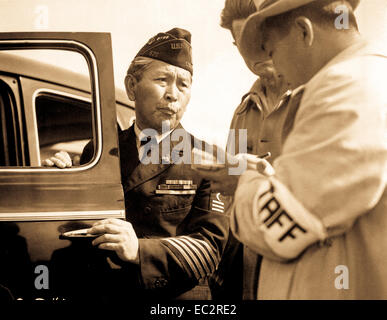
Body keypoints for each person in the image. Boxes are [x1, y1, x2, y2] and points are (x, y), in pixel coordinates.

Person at [45, 28, 229, 301]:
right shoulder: (97, 151)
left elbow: (209, 249)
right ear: (132, 86)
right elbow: (79, 229)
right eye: (162, 80)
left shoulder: (209, 159)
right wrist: (58, 184)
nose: (172, 95)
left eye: (183, 84)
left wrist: (139, 251)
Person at [230, 0, 387, 299]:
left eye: (272, 50)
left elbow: (276, 225)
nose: (274, 64)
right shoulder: (360, 78)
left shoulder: (347, 87)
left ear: (304, 32)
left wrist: (245, 183)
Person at [208, 0, 292, 300]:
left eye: (261, 40)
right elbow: (229, 196)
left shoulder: (318, 98)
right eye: (244, 44)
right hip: (250, 265)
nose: (255, 53)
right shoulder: (243, 112)